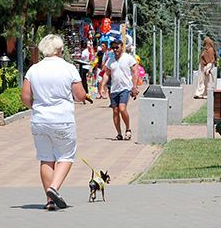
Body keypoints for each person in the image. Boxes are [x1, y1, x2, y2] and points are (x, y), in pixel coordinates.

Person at [21, 34, 92, 211]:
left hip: (39, 119)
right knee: (66, 156)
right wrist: (84, 97)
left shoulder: (33, 70)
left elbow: (25, 97)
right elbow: (79, 95)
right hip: (62, 119)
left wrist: (37, 107)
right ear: (60, 50)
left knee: (46, 158)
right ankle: (54, 188)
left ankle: (49, 200)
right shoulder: (68, 69)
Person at [100, 39, 140, 141]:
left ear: (121, 46)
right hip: (114, 89)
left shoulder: (128, 58)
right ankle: (119, 133)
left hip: (125, 87)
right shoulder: (111, 59)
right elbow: (106, 74)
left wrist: (134, 86)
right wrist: (102, 86)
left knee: (122, 108)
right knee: (115, 111)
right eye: (113, 48)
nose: (115, 50)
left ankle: (128, 129)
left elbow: (135, 71)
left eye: (117, 47)